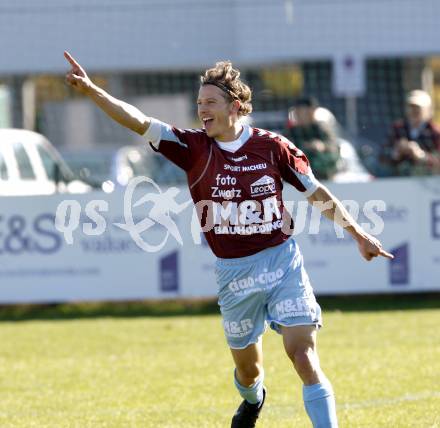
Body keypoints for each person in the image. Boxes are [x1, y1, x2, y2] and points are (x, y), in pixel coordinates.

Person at [64, 51, 393, 428]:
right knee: (249, 372)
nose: (201, 109)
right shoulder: (192, 147)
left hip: (282, 260)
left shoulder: (273, 146)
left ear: (234, 106)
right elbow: (138, 121)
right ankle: (254, 400)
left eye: (210, 103)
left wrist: (359, 234)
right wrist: (92, 91)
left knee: (302, 356)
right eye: (199, 103)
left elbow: (315, 192)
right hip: (234, 273)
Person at [383, 90, 440, 176]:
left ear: (428, 110)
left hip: (427, 181)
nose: (414, 111)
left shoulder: (435, 132)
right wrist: (396, 152)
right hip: (398, 181)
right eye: (411, 107)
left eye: (418, 107)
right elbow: (382, 157)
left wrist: (421, 156)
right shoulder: (397, 129)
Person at [285, 97, 340, 180]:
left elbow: (334, 147)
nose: (301, 115)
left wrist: (322, 146)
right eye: (298, 112)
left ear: (312, 111)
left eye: (305, 112)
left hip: (322, 176)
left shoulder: (322, 129)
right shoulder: (291, 132)